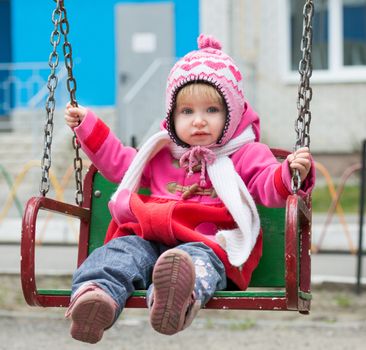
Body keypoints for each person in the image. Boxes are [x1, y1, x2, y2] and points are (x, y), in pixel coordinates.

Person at [64, 34, 315, 344]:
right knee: (120, 253)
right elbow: (120, 165)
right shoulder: (160, 152)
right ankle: (96, 298)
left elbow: (267, 187)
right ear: (172, 115)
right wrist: (88, 126)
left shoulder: (246, 153)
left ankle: (175, 301)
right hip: (149, 237)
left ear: (231, 112)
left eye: (211, 110)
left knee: (195, 264)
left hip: (208, 241)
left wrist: (289, 173)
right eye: (187, 112)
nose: (198, 121)